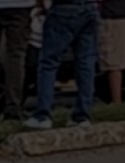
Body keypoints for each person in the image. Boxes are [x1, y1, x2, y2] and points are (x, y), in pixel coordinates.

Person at [25, 0, 99, 130]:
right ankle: (82, 115)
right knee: (85, 63)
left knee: (48, 63)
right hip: (89, 7)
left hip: (62, 8)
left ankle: (43, 115)